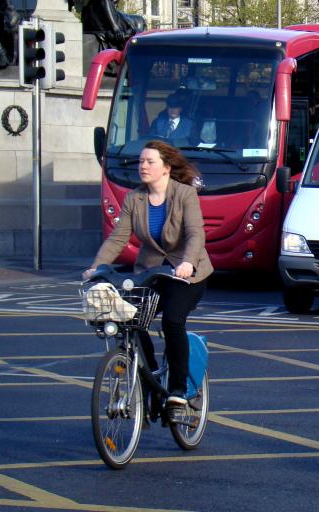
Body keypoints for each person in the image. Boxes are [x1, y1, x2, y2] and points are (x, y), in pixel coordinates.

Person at [83, 140, 213, 406]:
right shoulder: (135, 198)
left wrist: (187, 263)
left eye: (149, 161)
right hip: (151, 272)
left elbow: (195, 233)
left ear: (166, 168)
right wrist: (97, 267)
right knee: (129, 320)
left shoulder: (184, 194)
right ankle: (150, 374)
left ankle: (177, 391)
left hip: (186, 274)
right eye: (141, 161)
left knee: (172, 321)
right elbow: (118, 238)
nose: (143, 166)